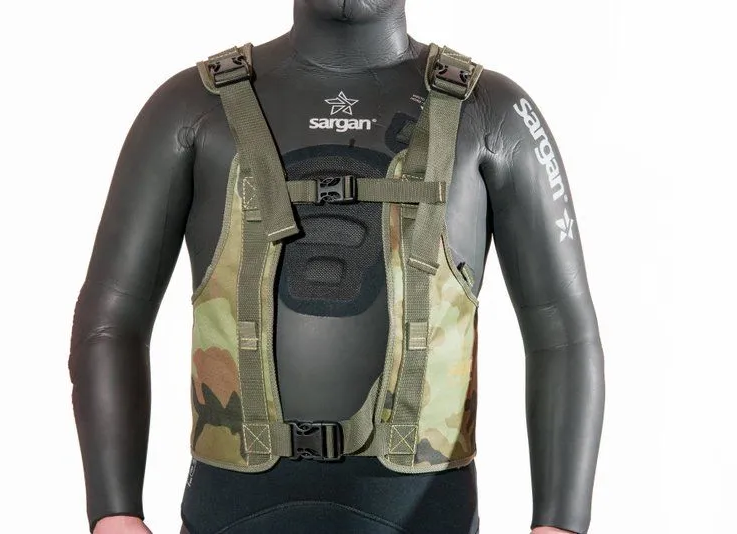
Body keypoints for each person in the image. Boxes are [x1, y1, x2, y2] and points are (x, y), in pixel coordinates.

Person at [69, 1, 605, 533]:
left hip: (426, 513)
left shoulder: (494, 112)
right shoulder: (188, 107)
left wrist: (559, 522)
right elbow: (110, 322)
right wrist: (115, 513)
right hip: (229, 513)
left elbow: (563, 333)